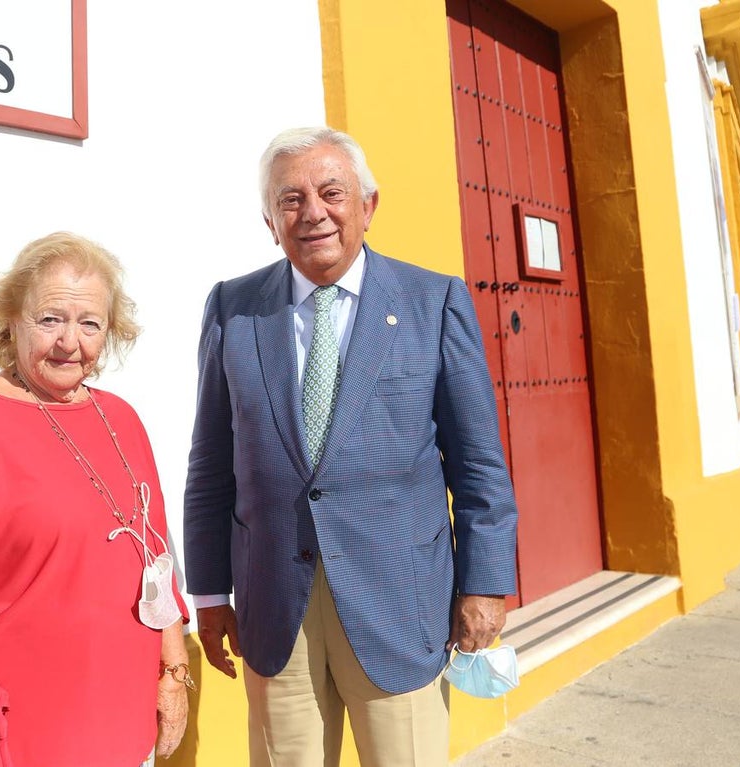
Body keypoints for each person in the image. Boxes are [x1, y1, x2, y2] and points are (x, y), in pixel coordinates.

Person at [183, 127, 518, 767]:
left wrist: (485, 584)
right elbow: (211, 466)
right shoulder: (233, 308)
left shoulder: (433, 301)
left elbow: (477, 463)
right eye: (290, 199)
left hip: (401, 601)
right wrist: (209, 593)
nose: (313, 213)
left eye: (331, 193)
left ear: (368, 206)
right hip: (274, 605)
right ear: (269, 222)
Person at [0, 232, 192, 767]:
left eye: (90, 324)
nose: (69, 342)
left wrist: (174, 672)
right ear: (12, 319)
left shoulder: (122, 418)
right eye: (50, 319)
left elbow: (154, 556)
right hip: (31, 725)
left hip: (128, 718)